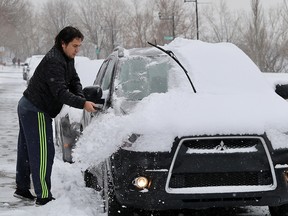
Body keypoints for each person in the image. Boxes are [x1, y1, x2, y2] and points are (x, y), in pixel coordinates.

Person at [14, 26, 96, 206]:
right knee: (44, 153)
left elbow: (74, 80)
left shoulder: (66, 58)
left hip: (28, 106)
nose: (77, 50)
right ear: (63, 43)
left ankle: (22, 188)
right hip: (36, 109)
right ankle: (43, 196)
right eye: (74, 46)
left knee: (28, 150)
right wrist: (82, 104)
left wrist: (81, 96)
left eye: (79, 46)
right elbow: (60, 92)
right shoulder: (54, 61)